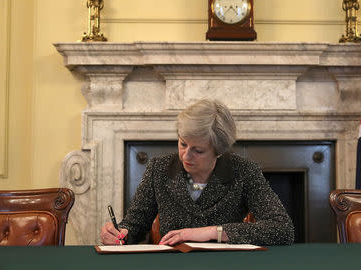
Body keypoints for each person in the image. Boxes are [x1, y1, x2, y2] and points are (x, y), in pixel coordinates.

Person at [100, 99, 294, 246]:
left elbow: (282, 229)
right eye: (183, 144)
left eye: (198, 151)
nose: (186, 155)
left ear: (218, 151)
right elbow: (135, 224)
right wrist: (119, 234)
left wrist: (213, 232)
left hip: (227, 268)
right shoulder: (158, 168)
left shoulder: (244, 171)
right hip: (171, 267)